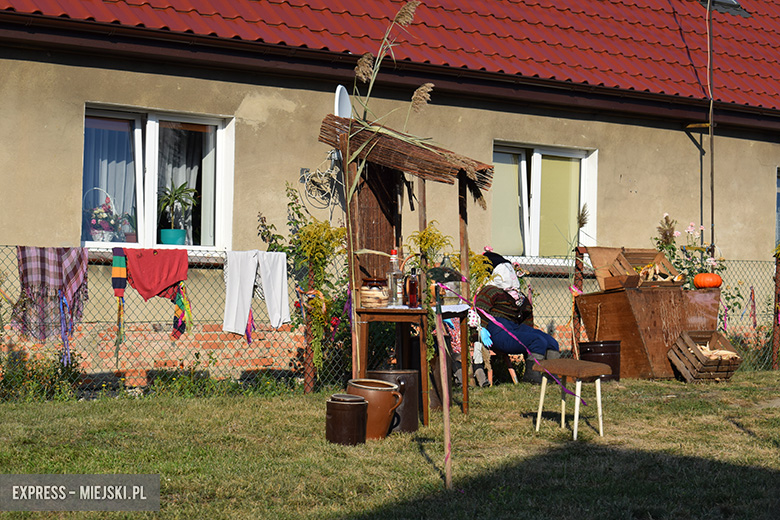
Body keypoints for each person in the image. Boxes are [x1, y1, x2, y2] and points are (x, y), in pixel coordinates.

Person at [473, 251, 560, 383]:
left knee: (551, 342)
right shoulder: (490, 290)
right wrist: (481, 329)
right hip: (497, 330)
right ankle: (532, 377)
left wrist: (527, 331)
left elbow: (527, 316)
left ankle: (553, 376)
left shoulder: (516, 295)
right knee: (537, 341)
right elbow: (479, 310)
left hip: (515, 327)